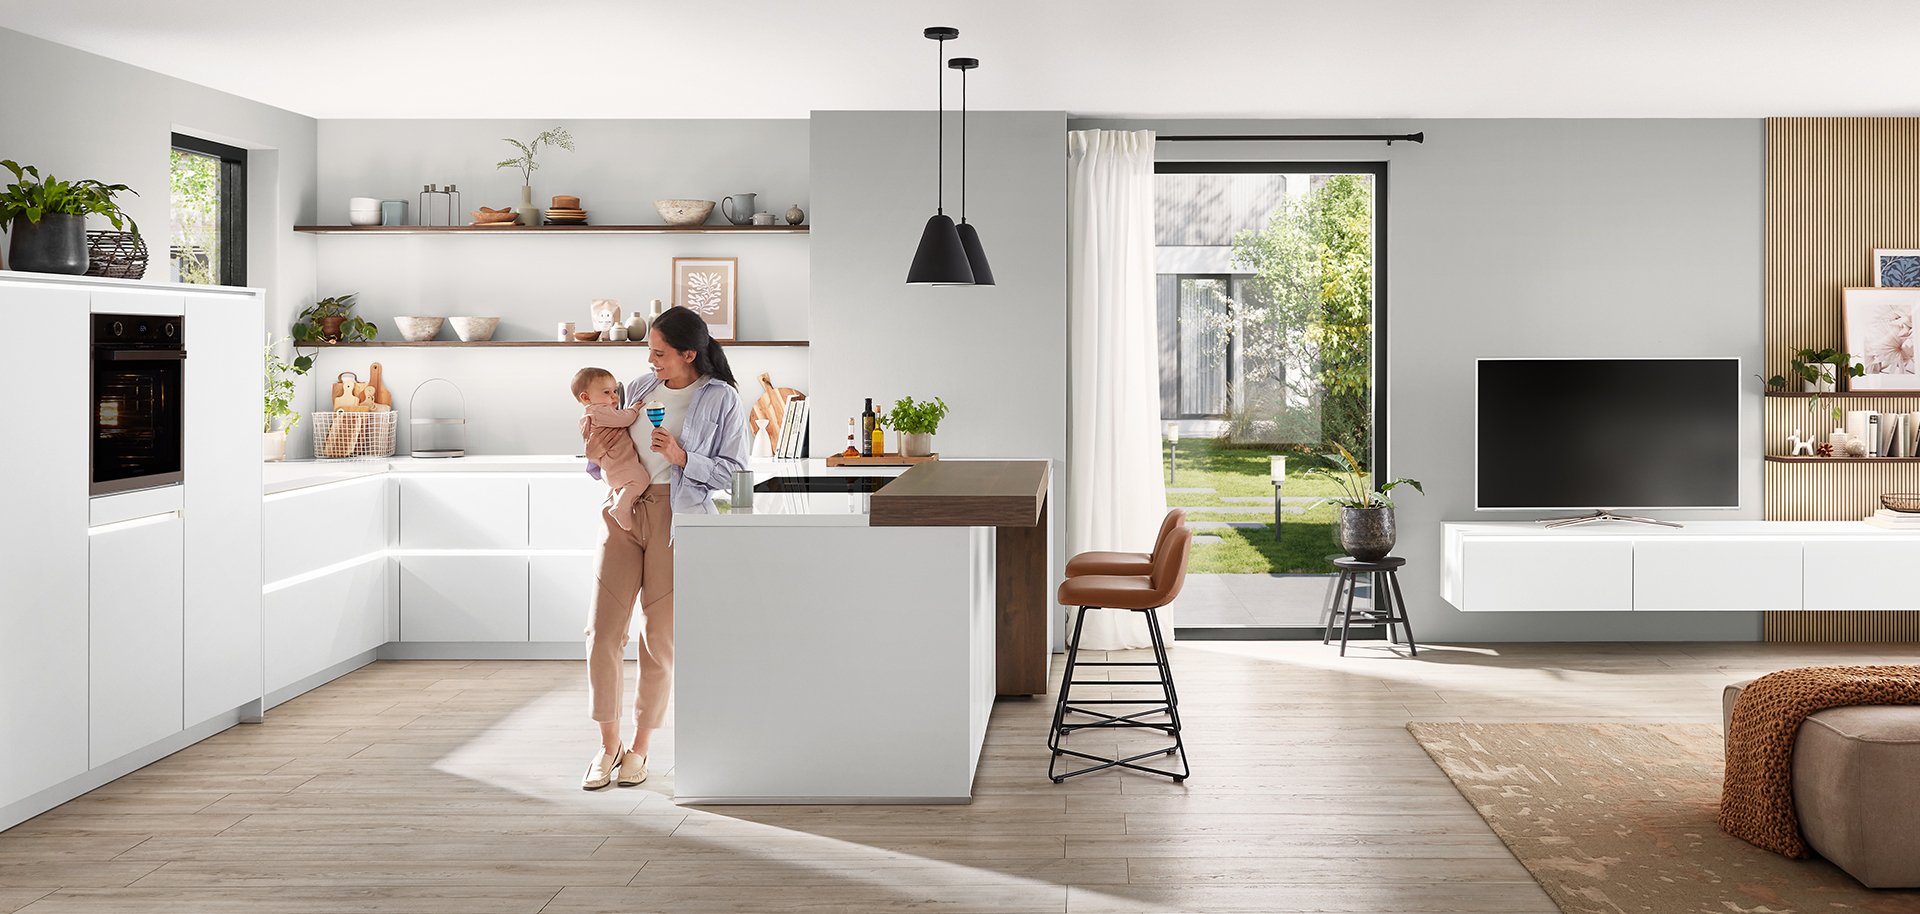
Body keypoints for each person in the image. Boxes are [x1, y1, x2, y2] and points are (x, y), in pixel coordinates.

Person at [580, 306, 747, 791]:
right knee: (601, 632)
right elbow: (609, 449)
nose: (650, 361)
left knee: (659, 639)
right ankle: (607, 746)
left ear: (688, 354)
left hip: (678, 518)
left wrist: (682, 457)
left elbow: (738, 477)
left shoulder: (722, 400)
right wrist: (595, 451)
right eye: (648, 352)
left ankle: (640, 750)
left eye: (659, 353)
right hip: (623, 513)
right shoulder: (637, 389)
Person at [571, 367, 646, 531]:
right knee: (641, 479)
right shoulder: (599, 411)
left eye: (614, 390)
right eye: (606, 392)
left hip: (611, 468)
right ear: (586, 397)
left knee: (620, 486)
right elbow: (624, 419)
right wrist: (633, 410)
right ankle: (620, 509)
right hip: (618, 466)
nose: (614, 396)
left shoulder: (591, 414)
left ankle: (614, 504)